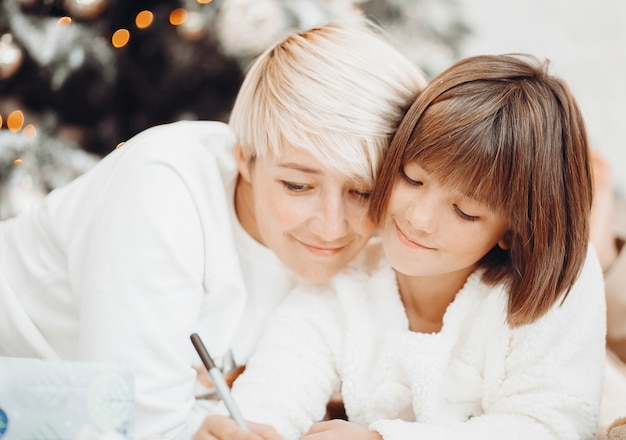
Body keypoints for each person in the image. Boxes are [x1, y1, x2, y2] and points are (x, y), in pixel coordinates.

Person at [0, 20, 427, 439]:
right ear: (244, 156)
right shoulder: (162, 189)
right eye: (297, 185)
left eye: (364, 192)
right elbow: (134, 421)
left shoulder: (389, 250)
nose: (332, 227)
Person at [197, 53, 607, 440]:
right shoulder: (349, 283)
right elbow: (276, 387)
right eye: (412, 179)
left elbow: (550, 426)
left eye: (464, 211)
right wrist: (246, 427)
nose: (418, 219)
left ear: (512, 231)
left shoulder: (552, 284)